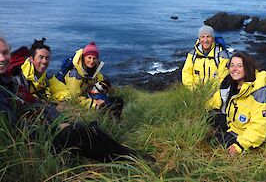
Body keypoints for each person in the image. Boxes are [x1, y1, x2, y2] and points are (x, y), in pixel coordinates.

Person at [0, 37, 155, 163]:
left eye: (6, 52)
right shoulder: (17, 80)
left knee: (86, 127)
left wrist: (55, 118)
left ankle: (124, 152)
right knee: (81, 132)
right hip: (26, 140)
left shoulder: (12, 81)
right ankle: (125, 157)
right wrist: (49, 126)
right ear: (31, 58)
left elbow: (36, 104)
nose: (45, 61)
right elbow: (14, 121)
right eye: (41, 57)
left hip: (38, 125)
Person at [206, 52, 266, 156]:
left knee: (214, 147)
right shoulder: (229, 83)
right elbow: (214, 102)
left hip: (242, 134)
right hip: (230, 123)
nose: (234, 69)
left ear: (247, 67)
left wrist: (240, 145)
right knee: (202, 129)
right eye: (232, 65)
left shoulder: (260, 92)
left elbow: (261, 124)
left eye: (239, 66)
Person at [50, 42, 123, 118]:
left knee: (118, 101)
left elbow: (100, 81)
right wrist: (94, 102)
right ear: (83, 58)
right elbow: (74, 98)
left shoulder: (94, 72)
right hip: (67, 98)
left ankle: (115, 122)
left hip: (83, 96)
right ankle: (108, 122)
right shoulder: (74, 74)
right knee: (102, 106)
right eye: (89, 57)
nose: (91, 61)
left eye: (94, 58)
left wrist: (108, 89)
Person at [182, 25, 229, 89]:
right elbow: (186, 73)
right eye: (202, 37)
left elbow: (223, 77)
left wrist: (210, 92)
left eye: (208, 36)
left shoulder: (222, 56)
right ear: (199, 39)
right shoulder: (192, 55)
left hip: (215, 94)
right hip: (195, 93)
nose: (205, 40)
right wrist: (193, 89)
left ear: (213, 39)